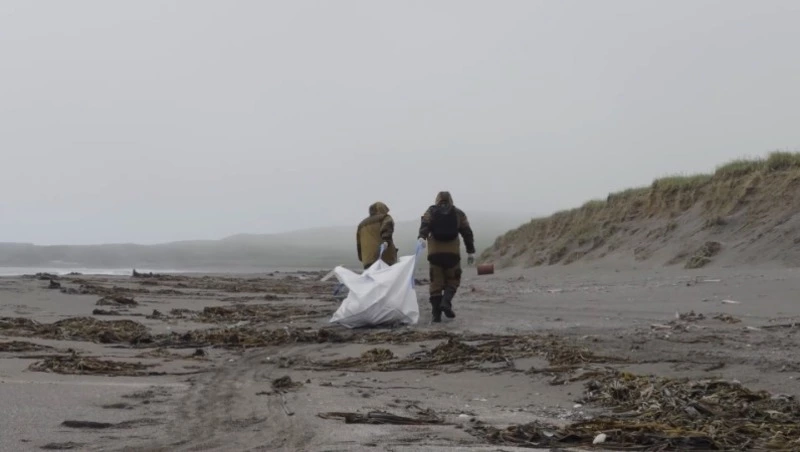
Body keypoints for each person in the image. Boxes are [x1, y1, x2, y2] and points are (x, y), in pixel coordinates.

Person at [417, 191, 475, 322]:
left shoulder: (431, 211)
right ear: (450, 200)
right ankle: (446, 302)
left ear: (437, 200)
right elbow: (467, 232)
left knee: (435, 283)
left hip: (434, 254)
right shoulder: (458, 213)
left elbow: (425, 224)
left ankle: (436, 314)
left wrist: (421, 237)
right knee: (453, 280)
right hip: (452, 254)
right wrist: (470, 251)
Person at [356, 201, 398, 269]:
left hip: (367, 260)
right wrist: (386, 241)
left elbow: (359, 245)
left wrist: (363, 258)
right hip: (384, 258)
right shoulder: (385, 217)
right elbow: (387, 229)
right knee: (387, 278)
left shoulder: (361, 225)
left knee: (372, 279)